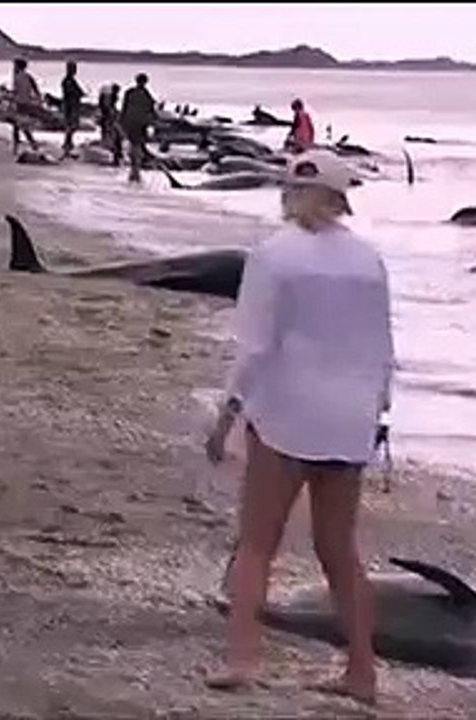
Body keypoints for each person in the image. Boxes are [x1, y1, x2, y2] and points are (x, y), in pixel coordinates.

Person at [203, 149, 393, 706]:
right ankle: (362, 672)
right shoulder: (368, 259)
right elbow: (383, 347)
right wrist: (382, 413)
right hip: (349, 416)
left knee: (258, 541)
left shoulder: (272, 255)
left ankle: (243, 659)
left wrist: (228, 411)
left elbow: (256, 345)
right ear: (341, 199)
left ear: (290, 194)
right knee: (340, 550)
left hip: (285, 410)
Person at [119, 72, 156, 182]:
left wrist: (122, 120)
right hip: (140, 124)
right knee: (137, 145)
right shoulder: (146, 95)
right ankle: (135, 170)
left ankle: (134, 170)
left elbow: (124, 108)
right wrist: (152, 121)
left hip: (131, 123)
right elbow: (151, 109)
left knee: (134, 145)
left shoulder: (130, 93)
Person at [11, 57, 42, 154]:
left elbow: (16, 91)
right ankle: (30, 144)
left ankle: (26, 145)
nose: (13, 67)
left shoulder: (17, 77)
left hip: (20, 104)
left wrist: (10, 97)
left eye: (15, 65)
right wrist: (38, 99)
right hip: (27, 103)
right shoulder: (28, 76)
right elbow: (36, 88)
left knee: (19, 126)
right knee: (21, 125)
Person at [60, 59, 85, 157]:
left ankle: (68, 142)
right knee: (71, 125)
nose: (75, 71)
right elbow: (72, 92)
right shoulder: (68, 80)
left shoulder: (70, 80)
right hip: (70, 105)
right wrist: (80, 94)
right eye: (73, 68)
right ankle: (67, 143)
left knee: (71, 125)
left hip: (71, 104)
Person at [97, 83, 123, 166]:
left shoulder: (108, 99)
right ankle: (116, 157)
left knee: (114, 138)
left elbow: (105, 108)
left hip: (109, 121)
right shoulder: (110, 100)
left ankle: (116, 157)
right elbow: (107, 108)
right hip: (110, 121)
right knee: (114, 138)